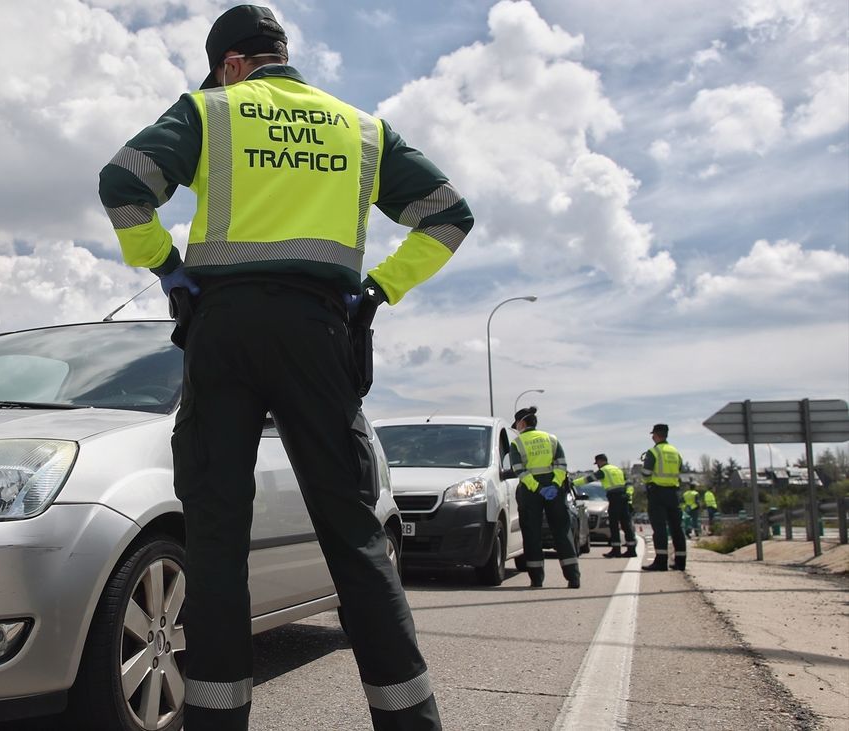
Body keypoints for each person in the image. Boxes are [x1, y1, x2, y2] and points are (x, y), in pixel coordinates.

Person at [99, 6, 472, 729]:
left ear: (232, 65)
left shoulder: (211, 110)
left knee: (214, 538)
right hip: (320, 333)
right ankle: (411, 721)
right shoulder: (362, 128)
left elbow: (123, 182)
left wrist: (167, 268)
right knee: (356, 537)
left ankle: (216, 718)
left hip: (224, 331)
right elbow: (450, 214)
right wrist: (379, 289)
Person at [508, 407, 580, 589]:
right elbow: (562, 465)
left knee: (532, 533)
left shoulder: (518, 443)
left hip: (531, 492)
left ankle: (537, 579)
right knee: (562, 532)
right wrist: (554, 485)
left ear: (522, 423)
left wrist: (538, 488)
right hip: (555, 490)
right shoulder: (552, 439)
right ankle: (573, 578)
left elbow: (519, 471)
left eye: (517, 425)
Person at [641, 423, 685, 571]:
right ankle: (680, 562)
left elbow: (646, 473)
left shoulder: (654, 452)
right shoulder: (675, 452)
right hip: (673, 493)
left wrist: (648, 482)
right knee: (677, 529)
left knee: (659, 529)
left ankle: (661, 562)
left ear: (656, 435)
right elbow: (680, 468)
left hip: (657, 493)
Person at [574, 454, 635, 558]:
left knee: (614, 524)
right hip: (624, 498)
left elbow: (587, 479)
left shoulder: (604, 471)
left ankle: (616, 550)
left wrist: (572, 482)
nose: (597, 465)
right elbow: (629, 484)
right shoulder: (618, 470)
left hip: (614, 498)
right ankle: (632, 550)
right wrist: (629, 499)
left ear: (600, 461)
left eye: (597, 463)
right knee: (626, 524)